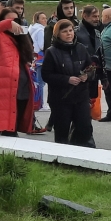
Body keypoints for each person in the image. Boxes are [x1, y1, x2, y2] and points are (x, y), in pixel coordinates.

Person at [0, 8, 36, 136]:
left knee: (14, 128)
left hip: (22, 89)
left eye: (16, 20)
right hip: (6, 90)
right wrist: (8, 23)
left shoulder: (20, 39)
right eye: (9, 20)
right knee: (7, 132)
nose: (13, 23)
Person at [42, 19, 96, 147]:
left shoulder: (81, 48)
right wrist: (67, 79)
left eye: (71, 30)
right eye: (64, 31)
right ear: (57, 34)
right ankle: (61, 159)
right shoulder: (52, 51)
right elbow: (46, 75)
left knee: (84, 128)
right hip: (61, 98)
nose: (69, 34)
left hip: (81, 96)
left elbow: (91, 67)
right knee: (62, 132)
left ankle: (82, 157)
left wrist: (86, 76)